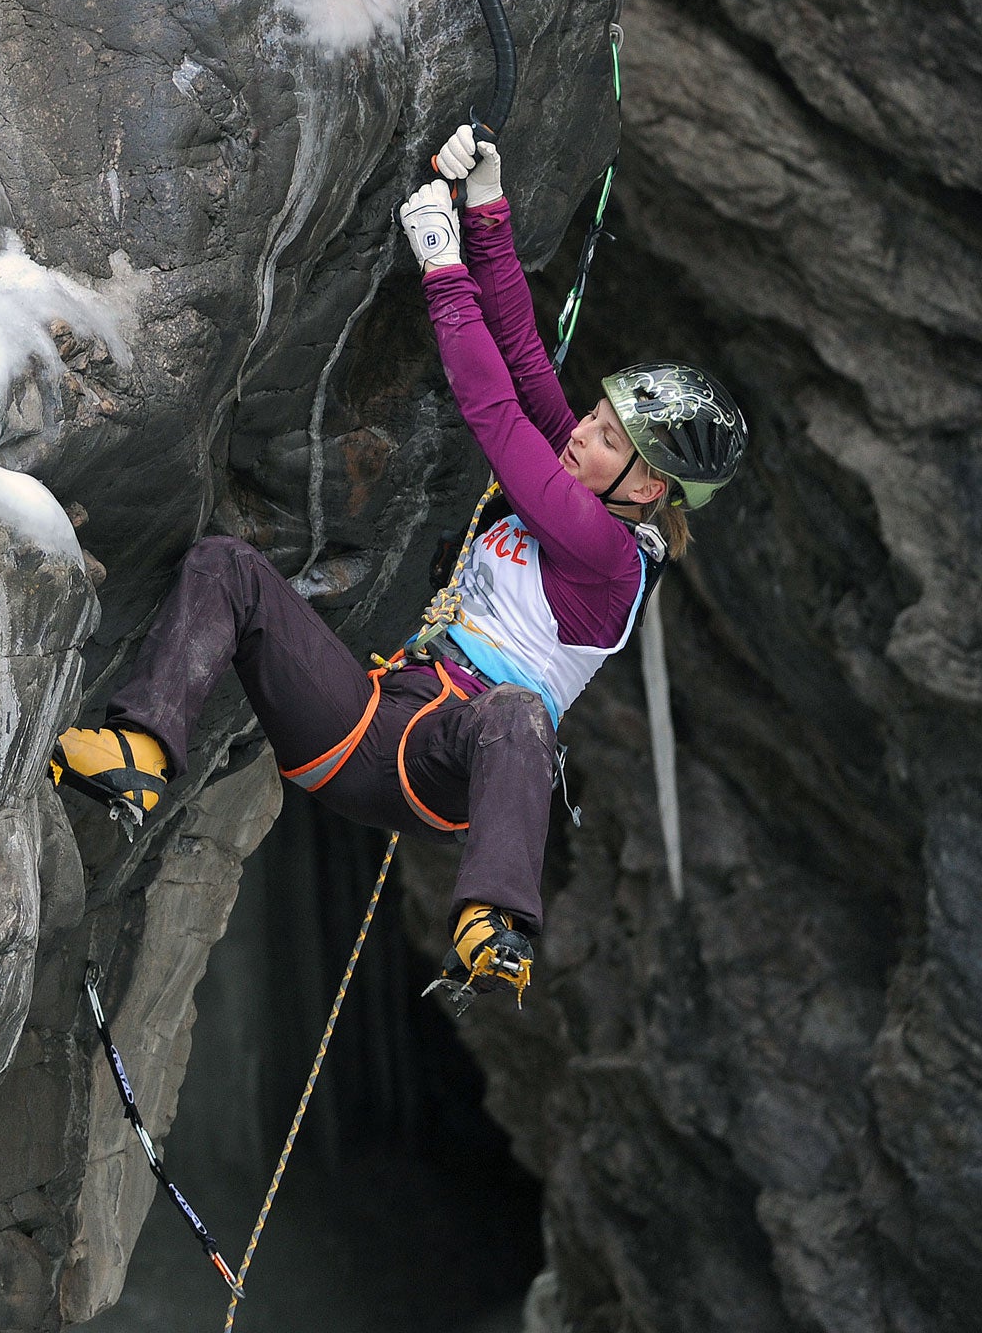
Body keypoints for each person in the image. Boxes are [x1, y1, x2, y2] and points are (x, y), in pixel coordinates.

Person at [53, 126, 746, 1003]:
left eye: (608, 437)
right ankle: (136, 750)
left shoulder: (607, 557)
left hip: (448, 762)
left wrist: (443, 272)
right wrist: (487, 210)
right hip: (367, 724)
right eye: (596, 417)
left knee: (519, 716)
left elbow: (494, 413)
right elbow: (527, 362)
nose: (579, 431)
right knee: (227, 567)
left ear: (648, 490)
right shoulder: (581, 477)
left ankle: (493, 925)